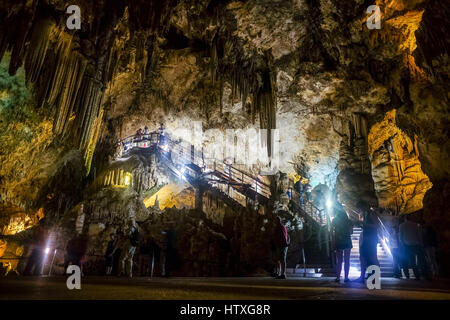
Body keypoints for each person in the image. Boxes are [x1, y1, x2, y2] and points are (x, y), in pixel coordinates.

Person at [354, 201, 379, 282]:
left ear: (364, 206)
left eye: (360, 208)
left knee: (372, 257)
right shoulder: (365, 214)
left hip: (371, 239)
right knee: (363, 257)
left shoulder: (372, 213)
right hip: (366, 238)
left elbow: (376, 225)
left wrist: (364, 224)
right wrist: (361, 224)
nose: (359, 210)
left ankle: (375, 277)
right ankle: (364, 276)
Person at [399, 215, 427, 280]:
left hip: (407, 245)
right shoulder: (416, 225)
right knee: (420, 260)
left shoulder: (401, 226)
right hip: (416, 244)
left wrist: (402, 244)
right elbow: (419, 235)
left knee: (410, 260)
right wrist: (421, 243)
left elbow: (400, 237)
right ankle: (421, 274)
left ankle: (408, 274)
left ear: (405, 218)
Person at [331, 204, 353, 282]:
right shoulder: (348, 220)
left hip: (338, 240)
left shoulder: (334, 220)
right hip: (347, 240)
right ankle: (346, 277)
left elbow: (331, 231)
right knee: (347, 260)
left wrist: (333, 241)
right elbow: (351, 232)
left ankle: (338, 277)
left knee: (339, 260)